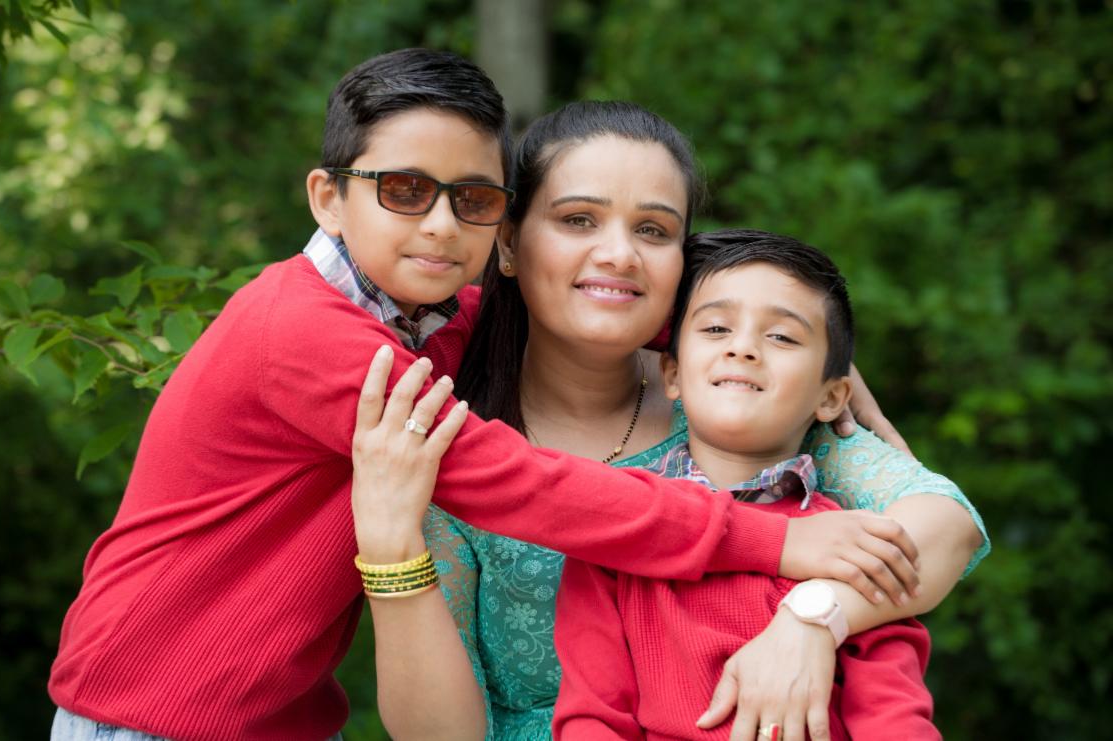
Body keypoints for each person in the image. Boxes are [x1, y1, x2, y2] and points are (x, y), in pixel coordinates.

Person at [46, 51, 922, 741]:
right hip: (150, 711)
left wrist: (794, 345)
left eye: (468, 197)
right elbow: (523, 481)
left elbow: (602, 296)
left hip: (280, 714)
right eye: (402, 191)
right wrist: (768, 539)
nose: (437, 224)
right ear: (327, 197)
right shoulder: (310, 334)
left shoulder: (438, 319)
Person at [349, 101, 988, 740]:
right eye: (578, 219)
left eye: (654, 231)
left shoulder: (731, 408)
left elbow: (945, 526)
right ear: (509, 244)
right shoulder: (458, 444)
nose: (620, 253)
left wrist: (813, 617)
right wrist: (389, 548)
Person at [551, 229, 941, 739]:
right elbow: (593, 716)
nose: (743, 348)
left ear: (832, 397)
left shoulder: (850, 547)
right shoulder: (619, 527)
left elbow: (895, 721)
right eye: (716, 328)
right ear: (671, 373)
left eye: (781, 336)